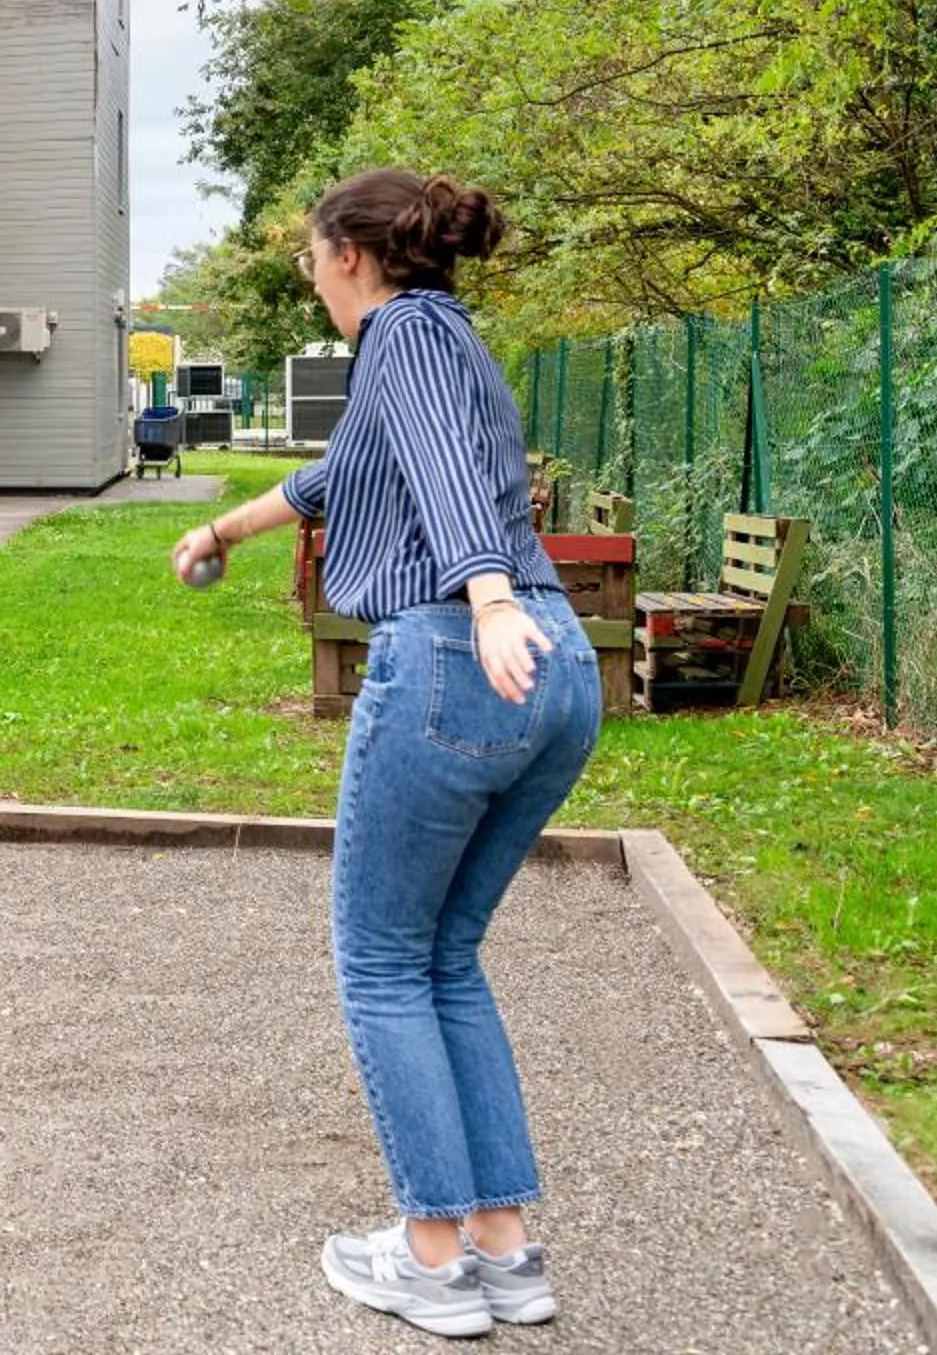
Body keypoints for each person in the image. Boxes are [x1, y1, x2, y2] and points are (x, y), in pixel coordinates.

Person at [170, 168, 600, 1340]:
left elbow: (459, 492)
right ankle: (506, 1252)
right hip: (561, 673)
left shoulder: (399, 335)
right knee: (447, 958)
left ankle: (430, 1257)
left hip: (471, 650)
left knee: (380, 963)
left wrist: (490, 596)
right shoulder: (450, 339)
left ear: (351, 255)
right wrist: (217, 528)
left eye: (311, 254)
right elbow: (339, 477)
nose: (308, 274)